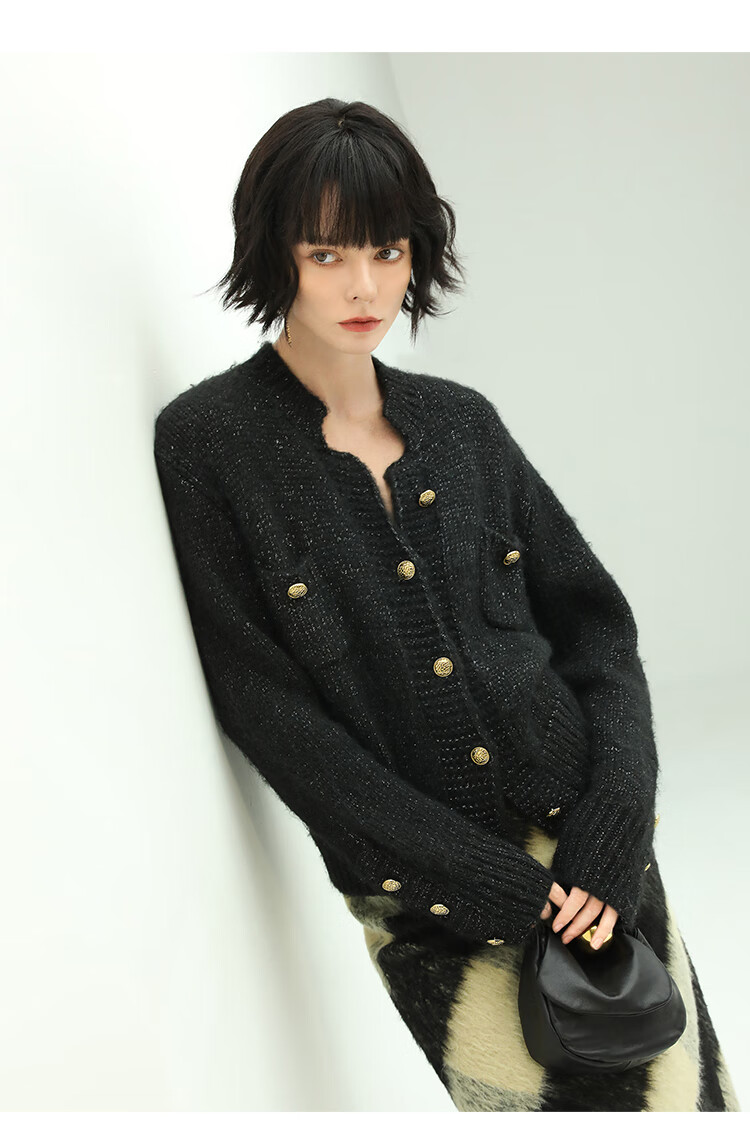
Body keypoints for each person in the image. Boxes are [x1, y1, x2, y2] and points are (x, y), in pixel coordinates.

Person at [153, 97, 739, 1111]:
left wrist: (612, 830)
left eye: (387, 250)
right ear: (273, 252)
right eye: (327, 254)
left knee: (693, 1103)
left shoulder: (463, 427)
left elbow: (596, 631)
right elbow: (269, 711)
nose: (365, 286)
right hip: (429, 897)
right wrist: (493, 883)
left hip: (596, 863)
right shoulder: (212, 445)